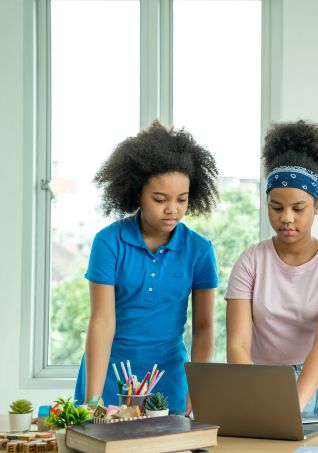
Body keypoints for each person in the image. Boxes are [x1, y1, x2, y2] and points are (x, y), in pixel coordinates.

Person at [226, 120, 318, 417]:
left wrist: (292, 406)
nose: (286, 218)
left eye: (298, 208)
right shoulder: (250, 262)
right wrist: (248, 394)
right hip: (269, 379)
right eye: (276, 207)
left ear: (317, 205)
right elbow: (238, 345)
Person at [74, 121, 219, 415]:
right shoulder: (109, 242)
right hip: (107, 379)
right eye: (159, 199)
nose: (173, 209)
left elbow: (203, 328)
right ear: (137, 193)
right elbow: (101, 321)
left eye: (182, 199)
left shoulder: (200, 250)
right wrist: (93, 399)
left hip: (170, 381)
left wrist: (198, 391)